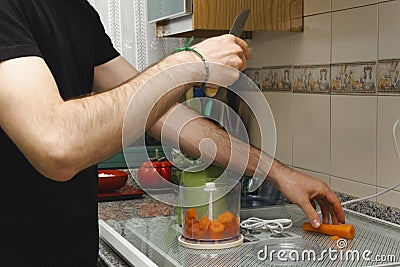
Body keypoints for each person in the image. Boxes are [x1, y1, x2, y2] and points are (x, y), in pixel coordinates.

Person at [0, 0, 345, 266]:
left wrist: (279, 173)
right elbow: (56, 145)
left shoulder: (78, 12)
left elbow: (160, 114)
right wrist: (188, 63)